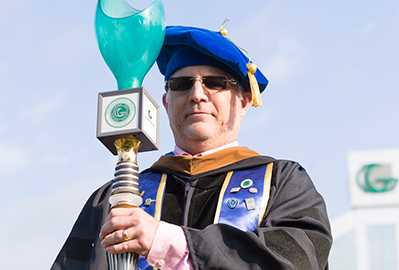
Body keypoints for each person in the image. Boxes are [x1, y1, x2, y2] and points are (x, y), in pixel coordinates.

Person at [52, 23, 332, 270]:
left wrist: (166, 242)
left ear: (244, 101)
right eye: (182, 84)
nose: (197, 95)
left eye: (214, 83)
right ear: (165, 102)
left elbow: (298, 260)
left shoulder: (283, 183)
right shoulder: (117, 197)